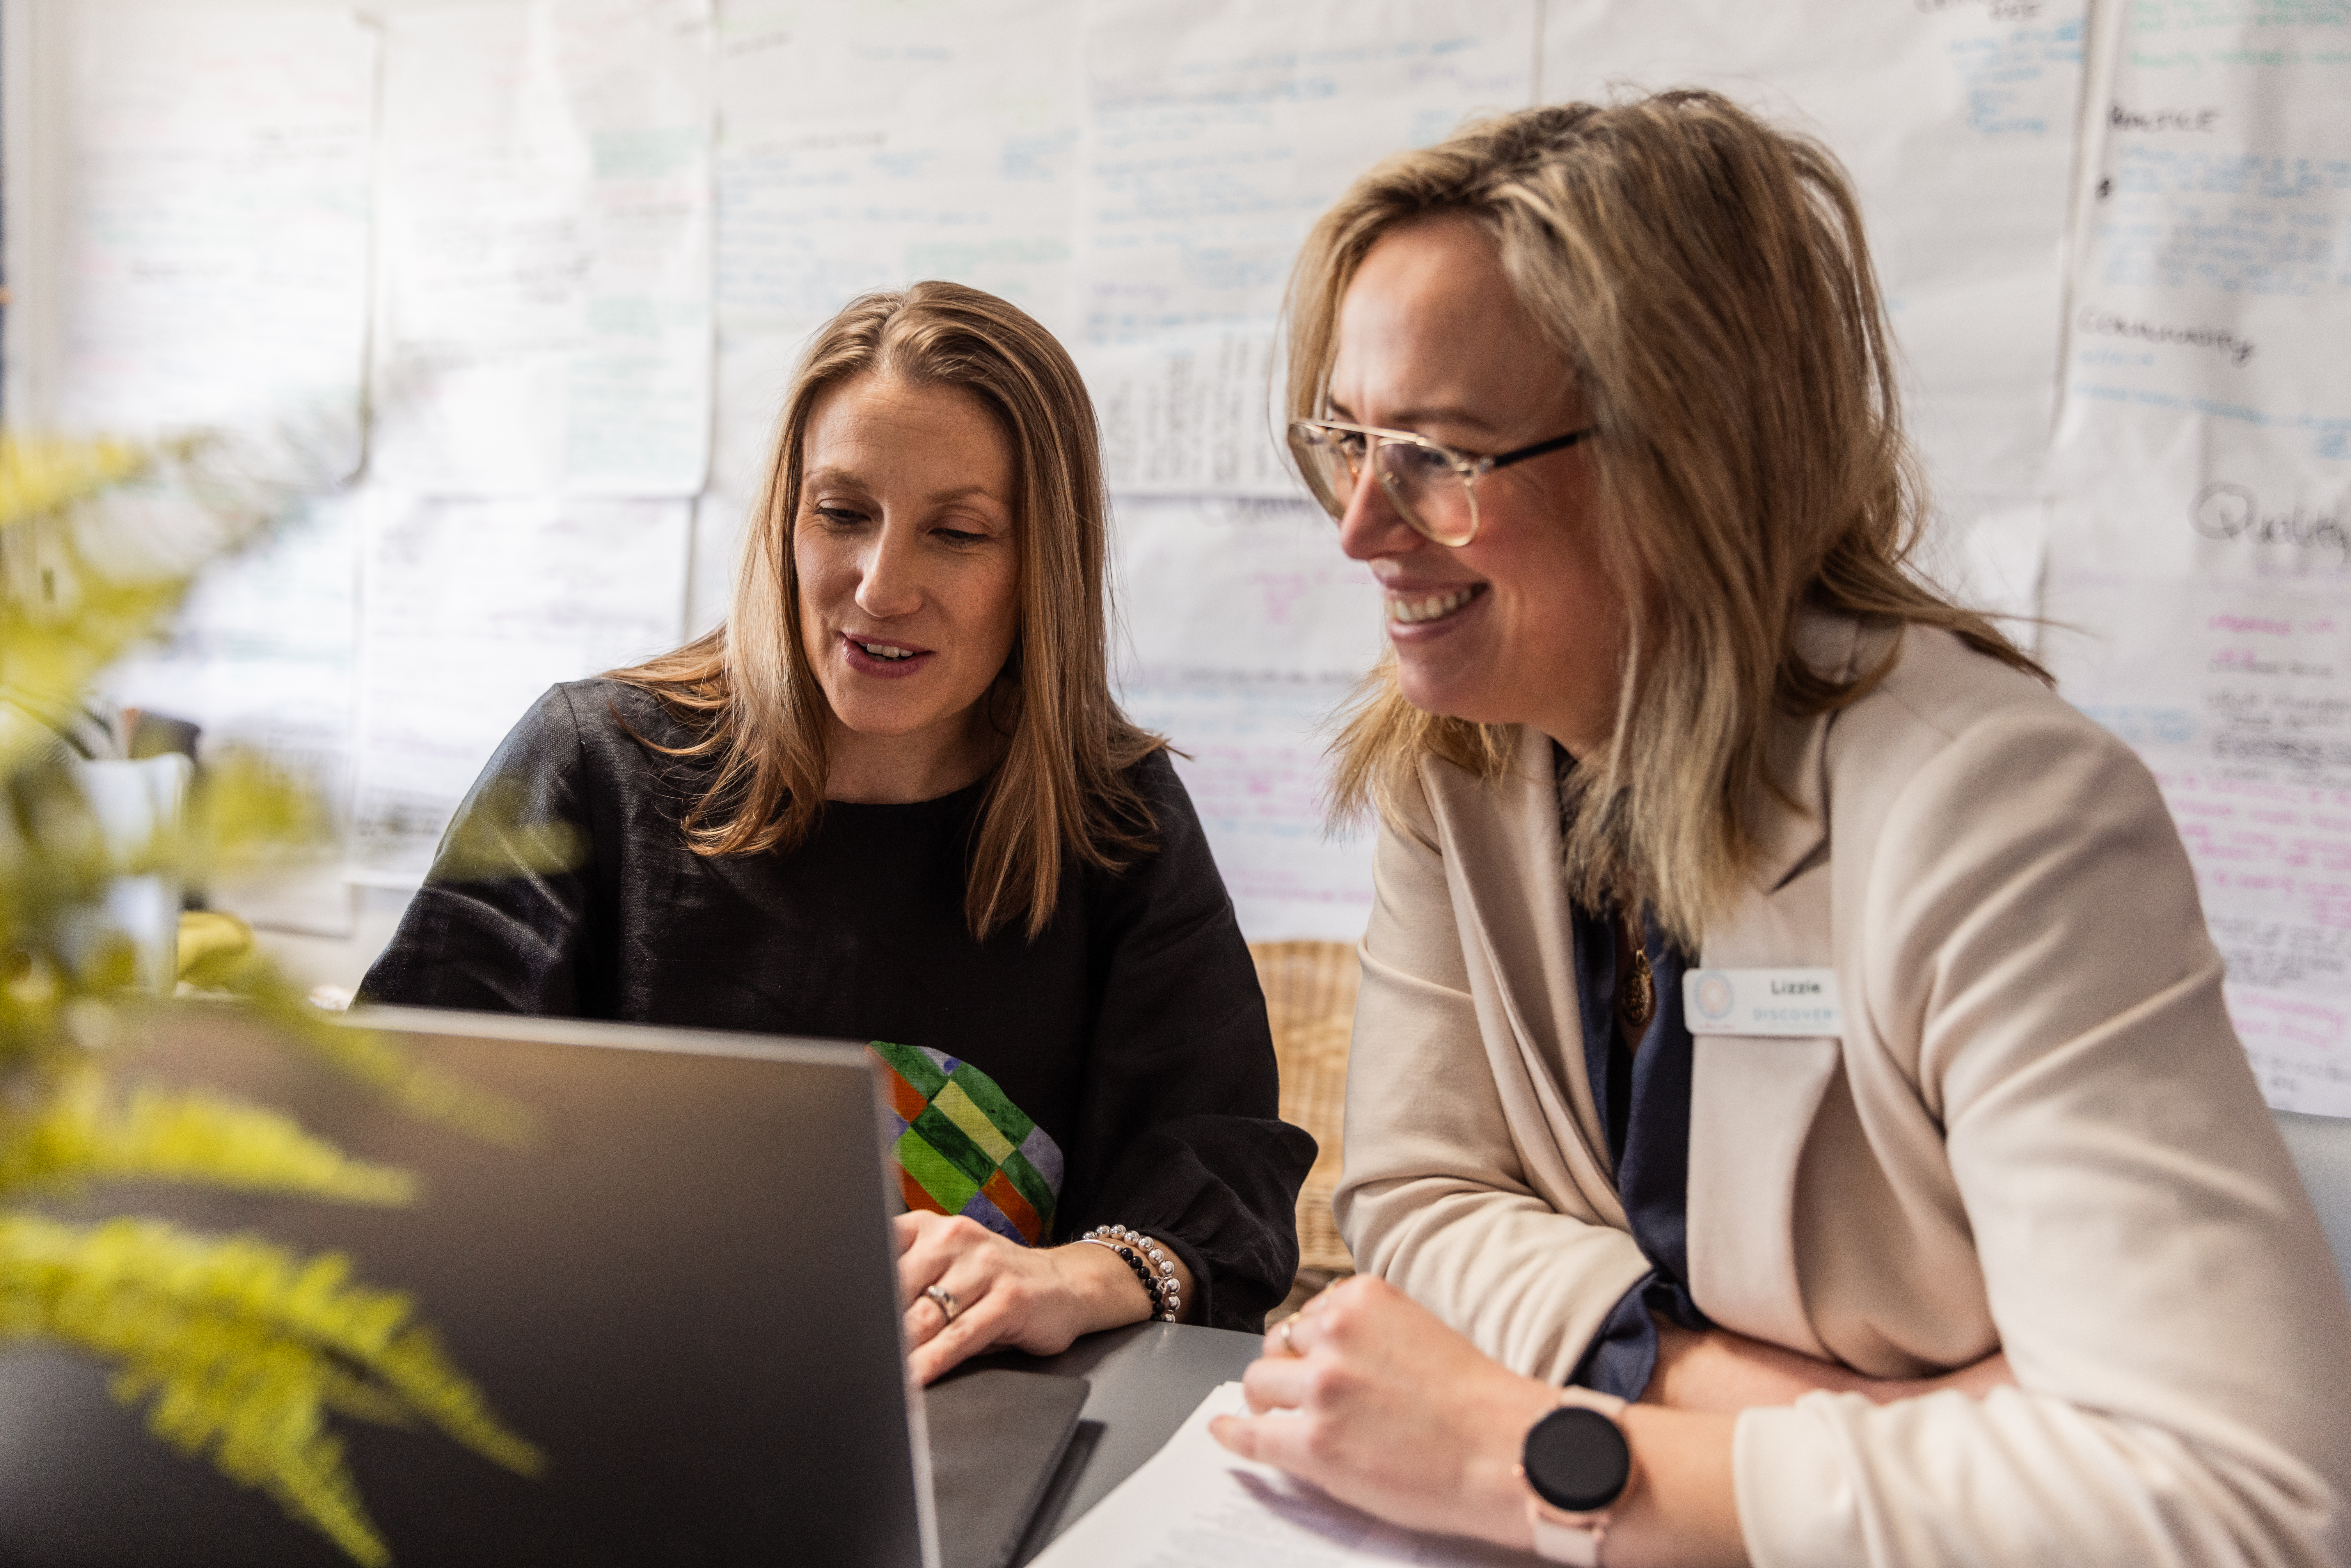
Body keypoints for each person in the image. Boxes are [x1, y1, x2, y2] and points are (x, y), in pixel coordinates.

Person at [1210, 92, 2351, 1567]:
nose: (1360, 526)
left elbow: (2243, 1498)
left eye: (1435, 452)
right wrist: (1726, 1398)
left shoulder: (2002, 815)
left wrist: (1530, 1453)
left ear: (1678, 459)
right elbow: (1417, 1190)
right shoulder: (1463, 760)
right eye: (1347, 440)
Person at [361, 282, 1313, 1377]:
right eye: (843, 513)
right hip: (616, 1401)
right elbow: (386, 1129)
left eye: (956, 533)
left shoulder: (1116, 816)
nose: (880, 585)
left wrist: (1082, 1273)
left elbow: (1225, 1184)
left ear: (1040, 567)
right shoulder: (595, 765)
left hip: (988, 1427)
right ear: (786, 520)